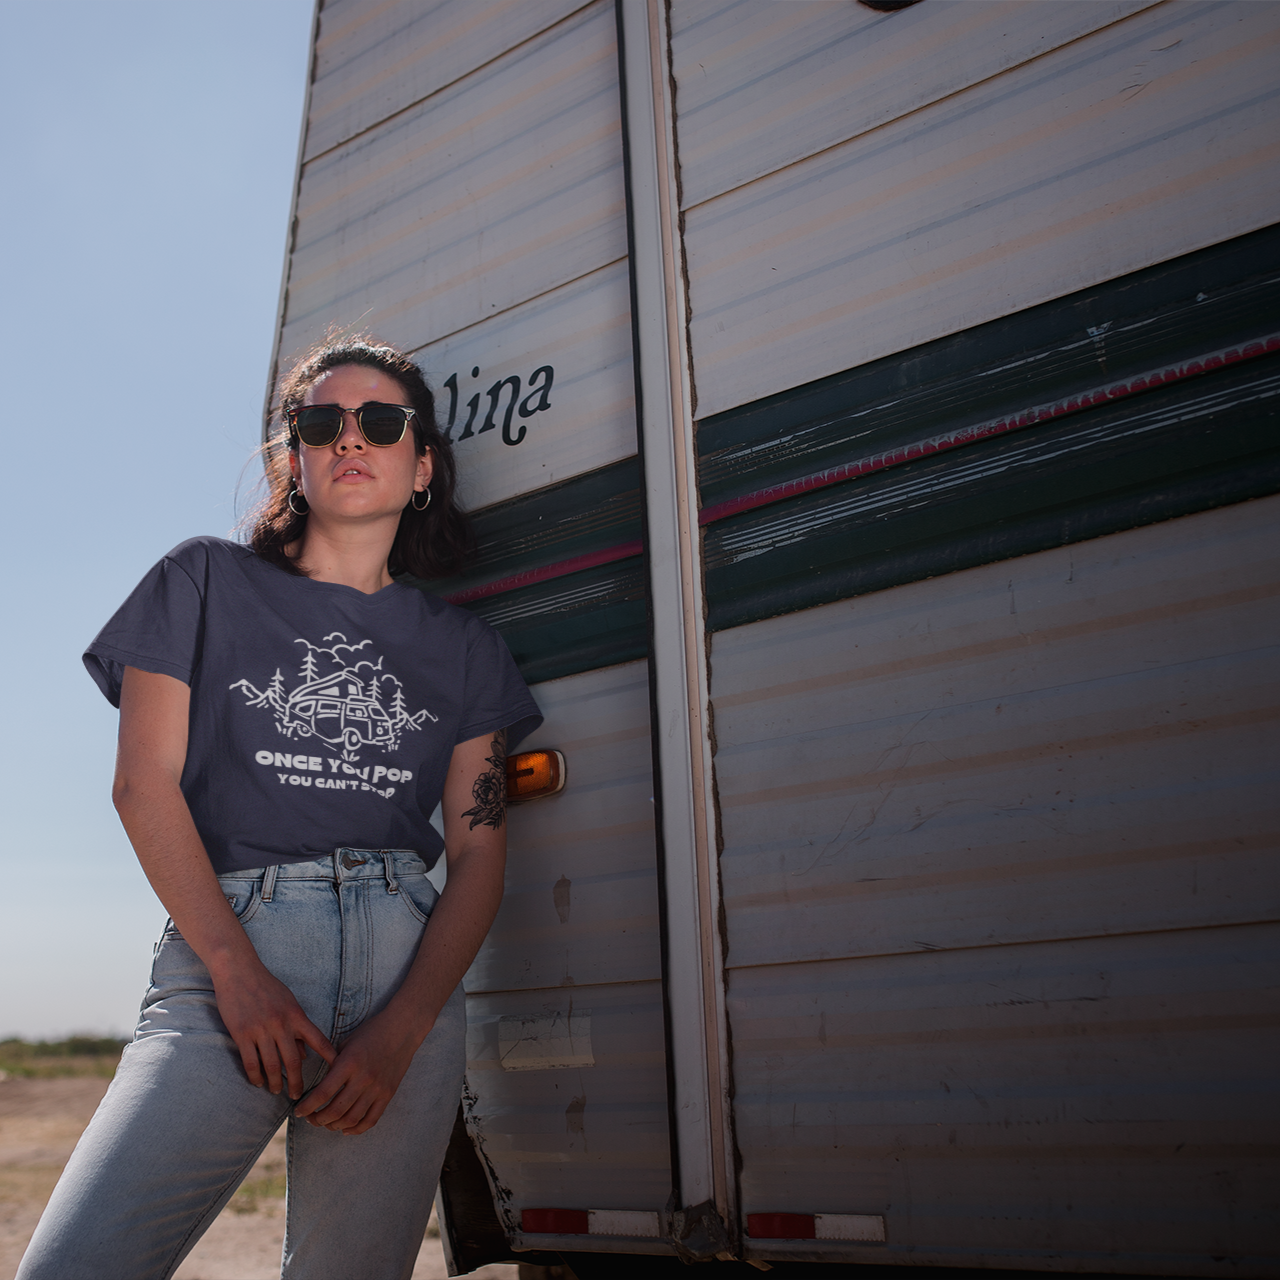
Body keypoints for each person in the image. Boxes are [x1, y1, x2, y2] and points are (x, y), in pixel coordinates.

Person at [17, 337, 541, 1280]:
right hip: (234, 948)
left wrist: (404, 1028)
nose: (352, 438)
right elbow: (143, 786)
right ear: (291, 460)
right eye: (320, 423)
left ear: (421, 467)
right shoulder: (201, 581)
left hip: (403, 972)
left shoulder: (466, 651)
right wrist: (236, 972)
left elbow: (480, 857)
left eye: (381, 423)